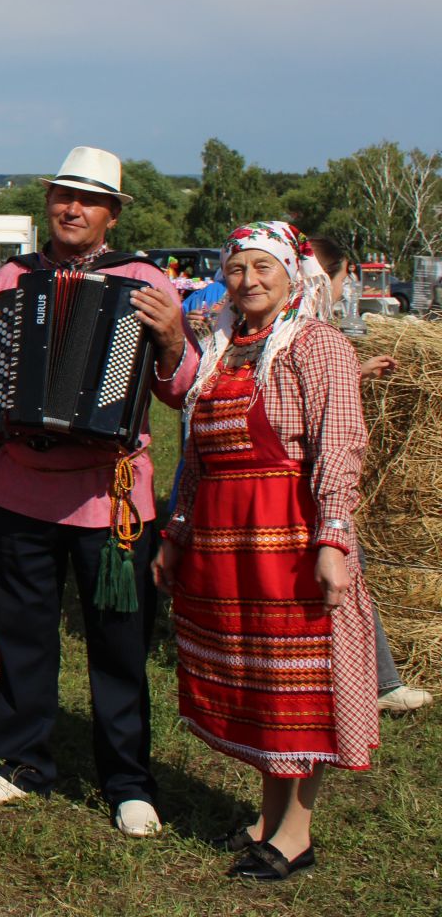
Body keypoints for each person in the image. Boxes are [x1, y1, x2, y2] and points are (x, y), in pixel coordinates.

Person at [0, 147, 195, 837]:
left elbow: (180, 390)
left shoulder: (146, 281)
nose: (72, 208)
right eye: (63, 195)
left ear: (112, 213)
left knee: (119, 642)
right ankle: (22, 763)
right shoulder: (13, 279)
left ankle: (127, 781)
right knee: (24, 637)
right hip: (19, 489)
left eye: (89, 199)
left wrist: (175, 337)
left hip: (109, 497)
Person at [154, 222, 379, 882]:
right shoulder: (223, 350)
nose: (248, 281)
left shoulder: (319, 344)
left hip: (288, 535)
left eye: (262, 268)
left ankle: (297, 835)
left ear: (291, 275)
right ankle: (267, 816)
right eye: (237, 269)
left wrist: (333, 540)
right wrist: (177, 535)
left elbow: (341, 441)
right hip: (228, 539)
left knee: (297, 686)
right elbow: (194, 462)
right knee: (258, 683)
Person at [310, 235, 429, 715]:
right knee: (346, 566)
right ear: (333, 277)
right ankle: (378, 685)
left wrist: (352, 372)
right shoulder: (313, 329)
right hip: (311, 477)